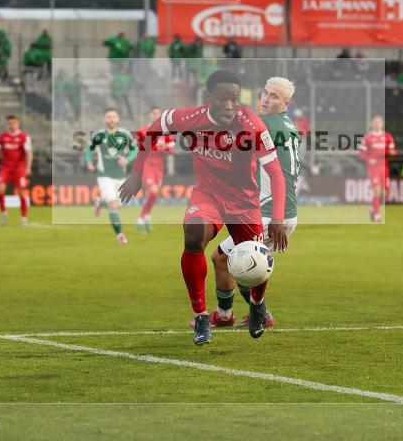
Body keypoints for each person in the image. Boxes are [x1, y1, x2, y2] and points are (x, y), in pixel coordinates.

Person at [119, 70, 288, 345]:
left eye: (234, 99)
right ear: (209, 97)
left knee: (254, 257)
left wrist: (278, 217)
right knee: (193, 236)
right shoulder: (188, 118)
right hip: (208, 194)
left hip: (243, 201)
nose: (229, 106)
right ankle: (201, 316)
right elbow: (151, 131)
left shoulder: (252, 125)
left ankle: (257, 304)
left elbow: (275, 173)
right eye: (223, 99)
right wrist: (137, 172)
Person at [199, 77, 300, 331]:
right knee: (231, 261)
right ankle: (239, 313)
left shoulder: (264, 125)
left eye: (274, 96)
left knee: (225, 260)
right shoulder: (288, 125)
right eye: (265, 92)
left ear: (286, 102)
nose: (266, 98)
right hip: (278, 210)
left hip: (271, 213)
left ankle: (237, 314)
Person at [85, 108, 138, 245]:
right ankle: (120, 235)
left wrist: (127, 160)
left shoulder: (125, 134)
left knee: (118, 205)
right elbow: (89, 150)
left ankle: (99, 203)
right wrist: (89, 162)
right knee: (113, 205)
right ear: (105, 119)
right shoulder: (99, 135)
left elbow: (135, 149)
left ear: (118, 119)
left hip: (120, 175)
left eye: (114, 117)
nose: (111, 119)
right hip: (104, 175)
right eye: (108, 117)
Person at [135, 107, 175, 234]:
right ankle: (141, 218)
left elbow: (172, 150)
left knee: (152, 195)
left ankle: (147, 216)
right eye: (154, 113)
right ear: (149, 116)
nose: (157, 116)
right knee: (153, 191)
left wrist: (160, 147)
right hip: (147, 165)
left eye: (159, 114)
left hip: (159, 167)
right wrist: (161, 147)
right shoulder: (142, 131)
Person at [0, 115, 33, 226]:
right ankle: (4, 213)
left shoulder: (24, 137)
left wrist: (28, 167)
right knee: (0, 189)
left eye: (14, 123)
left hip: (19, 168)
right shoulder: (2, 137)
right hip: (5, 168)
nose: (12, 125)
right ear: (7, 124)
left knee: (21, 192)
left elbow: (29, 153)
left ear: (18, 124)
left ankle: (23, 217)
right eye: (10, 123)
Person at [358, 116, 397, 223]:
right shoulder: (367, 138)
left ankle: (372, 208)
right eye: (375, 122)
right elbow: (361, 153)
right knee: (377, 191)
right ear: (371, 124)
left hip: (384, 167)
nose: (377, 124)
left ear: (382, 124)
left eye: (379, 122)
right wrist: (369, 159)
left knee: (384, 194)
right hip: (373, 167)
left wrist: (390, 152)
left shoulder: (388, 136)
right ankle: (377, 216)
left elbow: (393, 150)